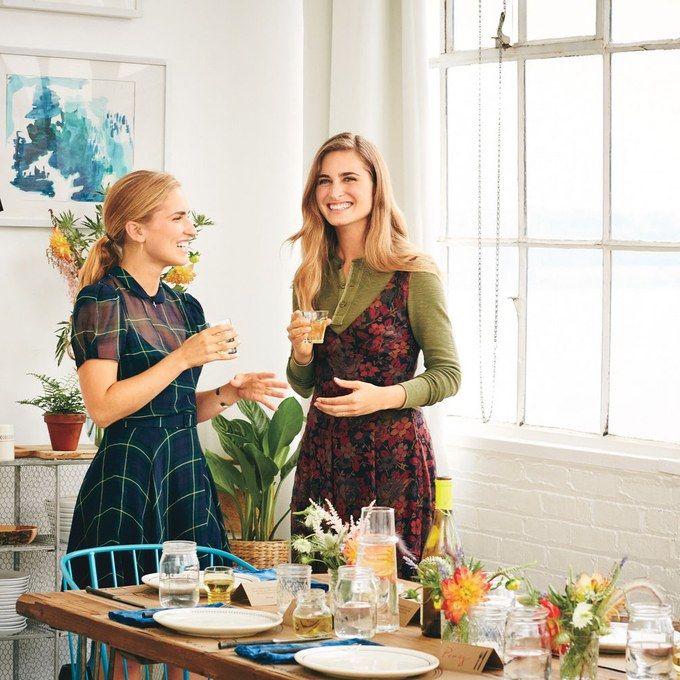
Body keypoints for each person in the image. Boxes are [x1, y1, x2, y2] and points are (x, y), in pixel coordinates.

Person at [67, 170, 286, 588]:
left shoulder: (186, 308)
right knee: (124, 624)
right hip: (128, 477)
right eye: (178, 218)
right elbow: (103, 408)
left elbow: (174, 408)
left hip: (186, 475)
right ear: (136, 229)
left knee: (199, 614)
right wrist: (183, 356)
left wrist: (229, 393)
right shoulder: (102, 299)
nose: (190, 229)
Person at [286, 133, 461, 574]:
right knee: (319, 589)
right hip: (322, 454)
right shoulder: (309, 275)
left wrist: (383, 397)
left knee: (392, 599)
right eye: (324, 181)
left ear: (375, 186)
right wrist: (302, 352)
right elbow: (304, 383)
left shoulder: (413, 272)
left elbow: (448, 373)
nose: (335, 192)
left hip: (393, 459)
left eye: (349, 178)